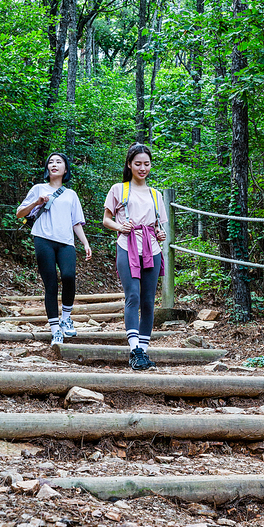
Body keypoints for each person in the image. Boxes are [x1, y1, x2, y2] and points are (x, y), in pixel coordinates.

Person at [103, 143, 167, 371]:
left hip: (152, 248)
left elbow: (160, 226)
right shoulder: (119, 189)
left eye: (146, 164)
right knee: (133, 296)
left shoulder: (155, 194)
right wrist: (120, 226)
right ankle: (134, 350)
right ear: (129, 164)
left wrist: (161, 233)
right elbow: (106, 219)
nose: (142, 168)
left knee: (149, 301)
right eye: (138, 164)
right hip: (126, 245)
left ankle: (144, 351)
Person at [16, 152, 92, 344]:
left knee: (68, 276)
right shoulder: (38, 188)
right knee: (50, 284)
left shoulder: (71, 194)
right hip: (43, 239)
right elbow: (19, 213)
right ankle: (55, 328)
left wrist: (85, 243)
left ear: (66, 169)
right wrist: (36, 202)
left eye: (59, 162)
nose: (54, 165)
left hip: (66, 242)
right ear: (47, 168)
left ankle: (66, 318)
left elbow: (76, 222)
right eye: (51, 162)